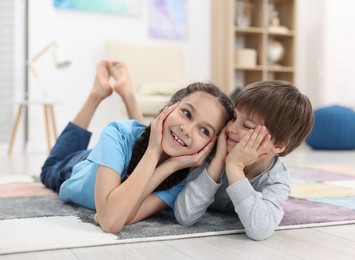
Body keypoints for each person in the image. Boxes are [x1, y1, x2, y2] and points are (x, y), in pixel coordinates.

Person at [40, 60, 234, 234]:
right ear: (169, 107)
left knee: (148, 139)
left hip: (130, 155)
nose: (187, 129)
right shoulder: (117, 132)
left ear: (210, 145)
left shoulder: (179, 179)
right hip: (76, 168)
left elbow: (115, 218)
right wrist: (153, 151)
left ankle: (127, 94)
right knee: (48, 169)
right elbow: (111, 220)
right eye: (186, 113)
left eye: (204, 131)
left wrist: (169, 167)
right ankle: (96, 94)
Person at [174, 80, 314, 241]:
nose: (231, 128)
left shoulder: (276, 179)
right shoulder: (213, 150)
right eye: (234, 117)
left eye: (247, 126)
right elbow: (184, 214)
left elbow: (260, 230)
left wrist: (234, 167)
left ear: (279, 144)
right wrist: (219, 162)